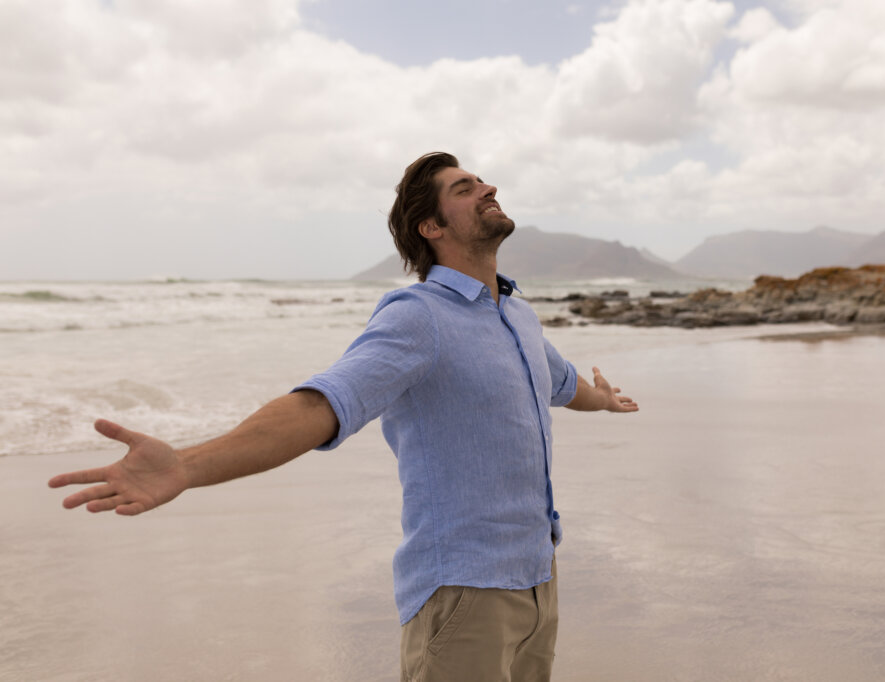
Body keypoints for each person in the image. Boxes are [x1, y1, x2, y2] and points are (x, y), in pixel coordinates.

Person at [49, 151, 638, 682]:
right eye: (464, 188)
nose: (486, 188)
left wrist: (603, 399)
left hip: (539, 579)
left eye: (481, 180)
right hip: (465, 592)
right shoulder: (418, 317)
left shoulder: (518, 316)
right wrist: (186, 465)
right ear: (431, 228)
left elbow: (560, 384)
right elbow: (323, 404)